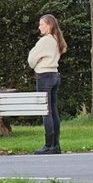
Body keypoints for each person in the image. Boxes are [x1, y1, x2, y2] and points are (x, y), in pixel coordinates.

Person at [27, 13, 66, 154]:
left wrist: (36, 62)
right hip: (54, 74)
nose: (39, 27)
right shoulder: (57, 39)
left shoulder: (45, 41)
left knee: (46, 110)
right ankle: (55, 144)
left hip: (44, 76)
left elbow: (31, 59)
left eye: (41, 24)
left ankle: (49, 145)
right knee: (53, 110)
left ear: (49, 25)